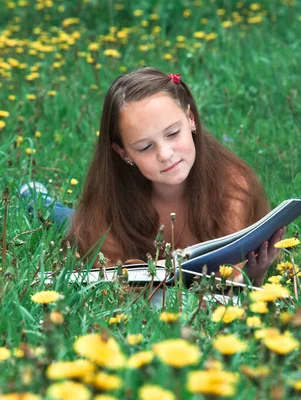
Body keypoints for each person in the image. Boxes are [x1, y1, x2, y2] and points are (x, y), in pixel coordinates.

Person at [23, 67, 284, 286]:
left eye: (172, 133)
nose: (165, 154)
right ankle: (35, 196)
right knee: (68, 223)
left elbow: (232, 278)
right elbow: (117, 281)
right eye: (145, 147)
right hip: (84, 224)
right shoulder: (110, 198)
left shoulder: (231, 184)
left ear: (190, 118)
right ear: (123, 152)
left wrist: (255, 275)